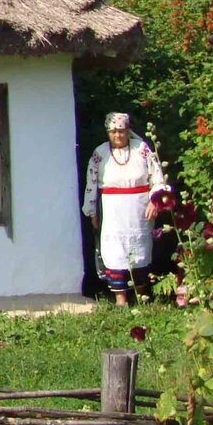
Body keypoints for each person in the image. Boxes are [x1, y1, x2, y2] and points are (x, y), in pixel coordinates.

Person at [82, 112, 168, 305]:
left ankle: (141, 295)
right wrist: (92, 211)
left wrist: (155, 200)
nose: (117, 135)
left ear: (127, 131)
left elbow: (157, 177)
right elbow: (91, 183)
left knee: (140, 250)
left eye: (121, 131)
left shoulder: (142, 149)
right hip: (112, 211)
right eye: (113, 131)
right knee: (115, 252)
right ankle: (120, 299)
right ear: (107, 132)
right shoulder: (100, 154)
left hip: (139, 209)